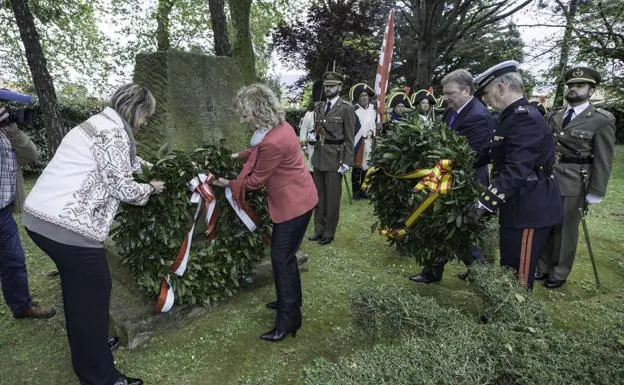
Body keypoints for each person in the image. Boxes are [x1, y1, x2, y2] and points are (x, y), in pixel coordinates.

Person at [22, 84, 165, 385]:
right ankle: (99, 375)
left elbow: (128, 163)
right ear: (135, 109)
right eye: (147, 117)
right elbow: (122, 187)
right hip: (66, 228)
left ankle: (92, 346)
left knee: (81, 295)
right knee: (92, 294)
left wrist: (160, 168)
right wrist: (151, 188)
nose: (146, 123)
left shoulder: (101, 125)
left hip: (43, 220)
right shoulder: (112, 134)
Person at [212, 83, 317, 342]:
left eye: (245, 115)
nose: (242, 120)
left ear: (259, 112)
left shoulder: (273, 141)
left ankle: (288, 320)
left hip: (294, 206)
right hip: (301, 198)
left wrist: (226, 183)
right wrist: (237, 154)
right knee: (286, 257)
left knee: (281, 259)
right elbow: (257, 151)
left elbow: (255, 181)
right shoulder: (280, 128)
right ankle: (290, 302)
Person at [466, 60, 563, 290]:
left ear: (501, 88)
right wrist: (459, 161)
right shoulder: (510, 117)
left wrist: (484, 203)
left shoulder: (524, 118)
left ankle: (517, 318)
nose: (486, 100)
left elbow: (517, 169)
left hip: (530, 207)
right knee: (510, 260)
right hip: (517, 202)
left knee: (519, 270)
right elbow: (493, 150)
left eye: (487, 94)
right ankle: (508, 314)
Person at [409, 69, 494, 284]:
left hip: (467, 181)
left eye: (450, 93)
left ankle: (482, 275)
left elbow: (472, 155)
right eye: (445, 93)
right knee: (439, 224)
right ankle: (432, 271)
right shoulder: (450, 111)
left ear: (467, 91)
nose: (445, 98)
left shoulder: (479, 116)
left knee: (461, 231)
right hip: (447, 176)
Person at [537, 67, 616, 289]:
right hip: (550, 178)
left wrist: (596, 191)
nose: (573, 89)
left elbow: (604, 159)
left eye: (580, 86)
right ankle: (542, 266)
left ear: (592, 90)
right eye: (571, 85)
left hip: (575, 180)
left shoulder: (601, 120)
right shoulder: (556, 114)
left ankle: (559, 271)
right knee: (546, 223)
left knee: (565, 229)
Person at [0, 107, 56, 320]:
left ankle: (22, 306)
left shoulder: (6, 135)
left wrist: (13, 131)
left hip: (3, 212)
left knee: (14, 261)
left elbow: (32, 155)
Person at [308, 71, 355, 246]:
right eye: (326, 86)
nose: (328, 89)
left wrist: (347, 162)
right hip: (320, 156)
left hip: (336, 158)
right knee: (318, 196)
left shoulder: (346, 108)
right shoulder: (320, 107)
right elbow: (318, 128)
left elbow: (350, 138)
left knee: (332, 198)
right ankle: (318, 229)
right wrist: (313, 136)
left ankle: (329, 231)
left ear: (340, 87)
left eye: (332, 86)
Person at [349, 82, 378, 200]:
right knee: (357, 168)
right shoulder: (353, 110)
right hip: (359, 142)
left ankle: (364, 190)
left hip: (371, 141)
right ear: (358, 98)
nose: (364, 97)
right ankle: (355, 192)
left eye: (366, 95)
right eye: (361, 96)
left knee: (368, 167)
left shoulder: (374, 109)